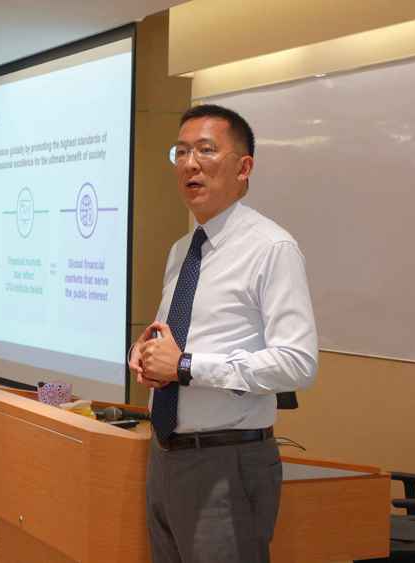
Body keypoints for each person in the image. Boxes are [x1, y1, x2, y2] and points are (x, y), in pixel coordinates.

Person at [128, 104, 318, 563]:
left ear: (244, 167)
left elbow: (298, 363)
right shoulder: (183, 250)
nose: (189, 164)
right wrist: (146, 354)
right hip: (165, 454)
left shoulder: (271, 248)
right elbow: (176, 340)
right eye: (180, 152)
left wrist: (186, 367)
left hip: (226, 461)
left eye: (205, 150)